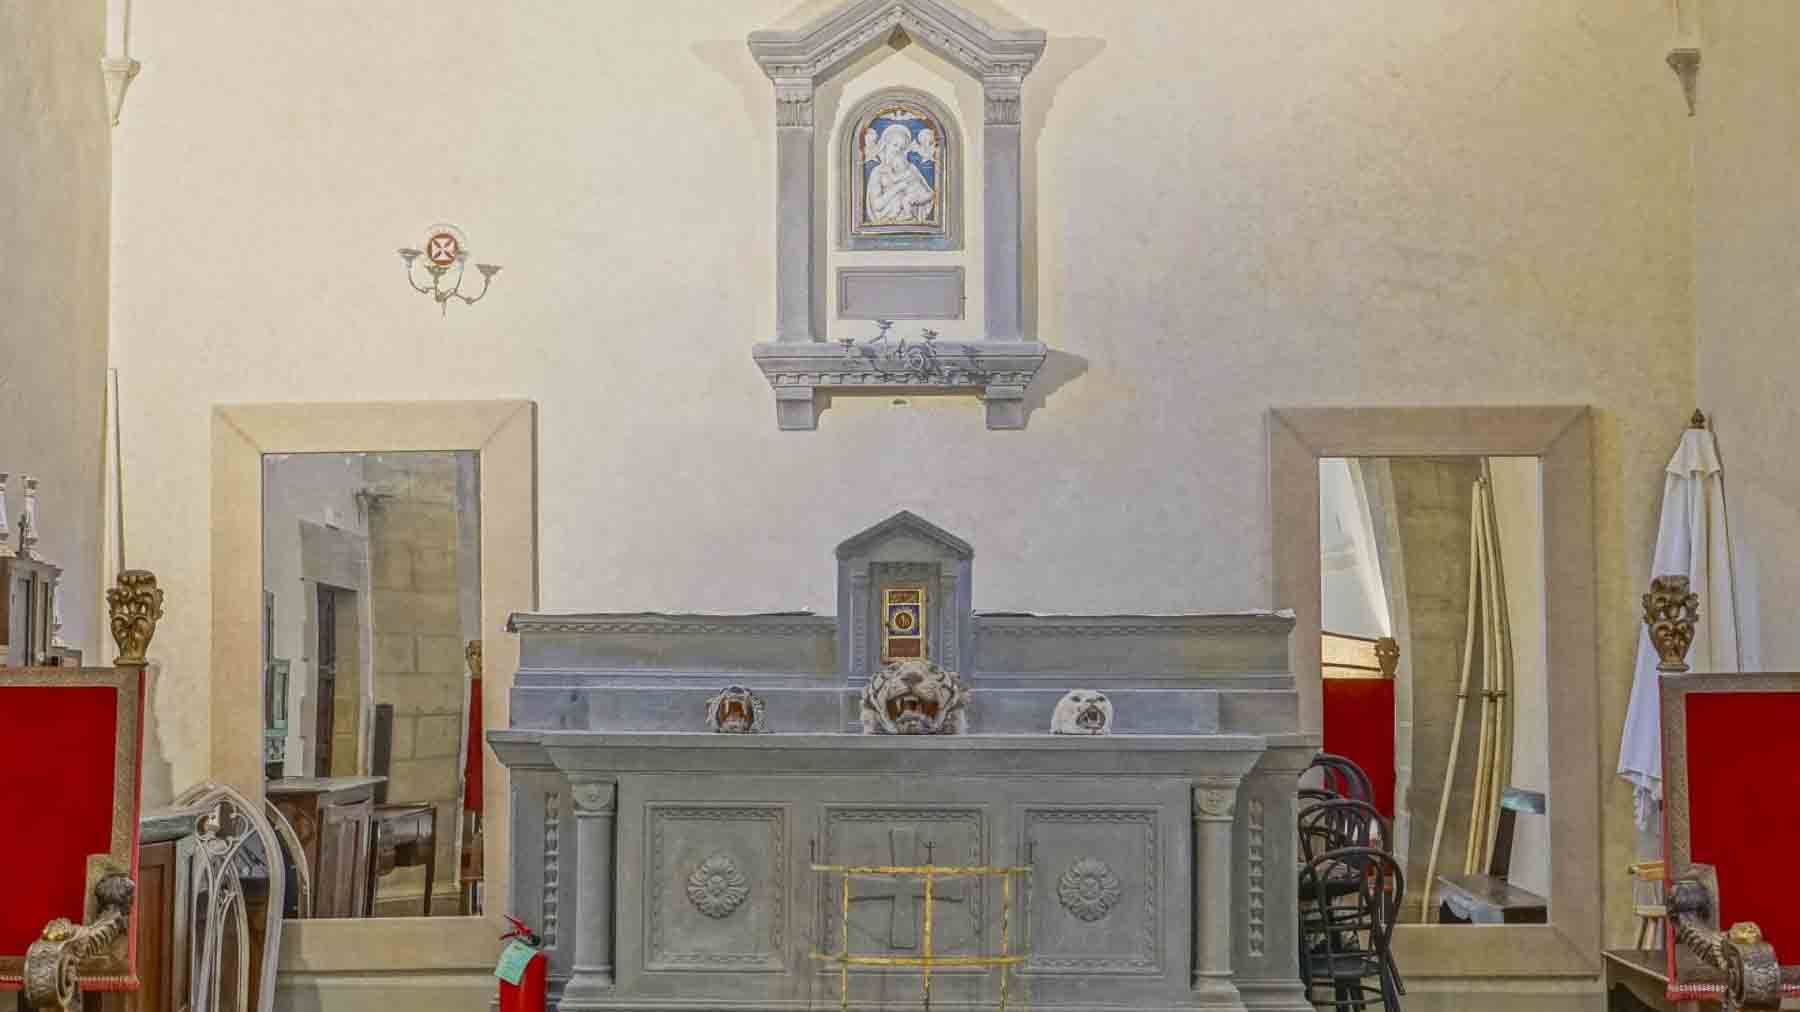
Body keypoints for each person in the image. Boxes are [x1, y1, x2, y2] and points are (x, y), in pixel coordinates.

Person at [865, 123, 935, 225]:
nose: (898, 150)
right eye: (895, 145)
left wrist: (915, 198)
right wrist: (898, 187)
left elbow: (929, 194)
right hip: (886, 221)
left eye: (902, 148)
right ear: (885, 145)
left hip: (911, 222)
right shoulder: (878, 172)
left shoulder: (911, 169)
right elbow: (877, 205)